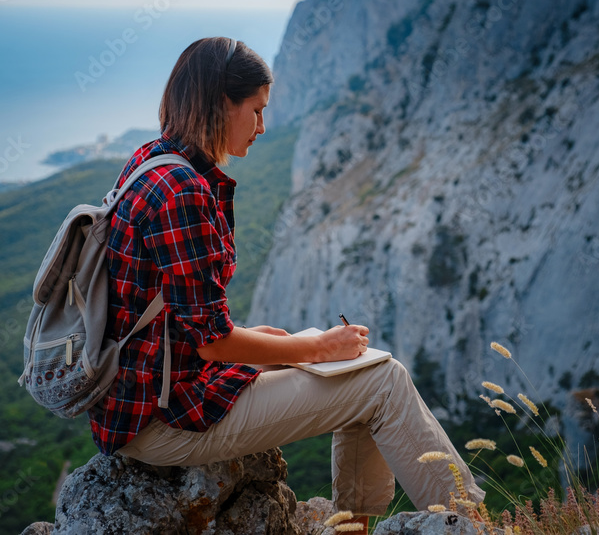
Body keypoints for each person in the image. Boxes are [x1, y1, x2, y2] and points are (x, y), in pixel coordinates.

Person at [87, 36, 484, 527]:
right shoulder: (183, 192)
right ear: (218, 105)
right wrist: (316, 349)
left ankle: (353, 526)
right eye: (254, 110)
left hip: (151, 396)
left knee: (357, 369)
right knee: (383, 380)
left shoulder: (152, 161)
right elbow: (212, 344)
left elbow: (177, 314)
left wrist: (276, 343)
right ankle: (472, 525)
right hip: (166, 420)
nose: (262, 126)